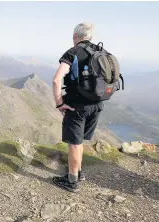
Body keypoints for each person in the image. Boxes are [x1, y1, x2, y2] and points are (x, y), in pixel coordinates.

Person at [51, 22, 104, 192]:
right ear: (90, 37)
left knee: (74, 143)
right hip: (97, 104)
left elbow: (57, 79)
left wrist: (59, 103)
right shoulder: (100, 51)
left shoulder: (73, 52)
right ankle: (78, 172)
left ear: (75, 36)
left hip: (77, 106)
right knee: (80, 141)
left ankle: (72, 181)